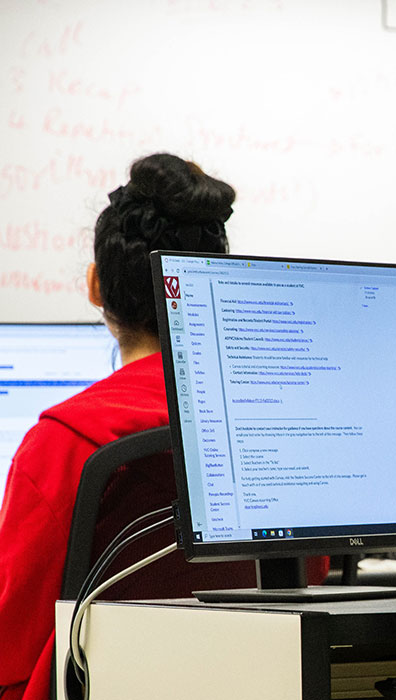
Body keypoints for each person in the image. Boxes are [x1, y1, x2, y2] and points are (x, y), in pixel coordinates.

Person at [0, 154, 323, 700]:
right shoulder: (278, 428)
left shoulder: (64, 442)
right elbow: (308, 582)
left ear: (95, 285)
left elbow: (9, 643)